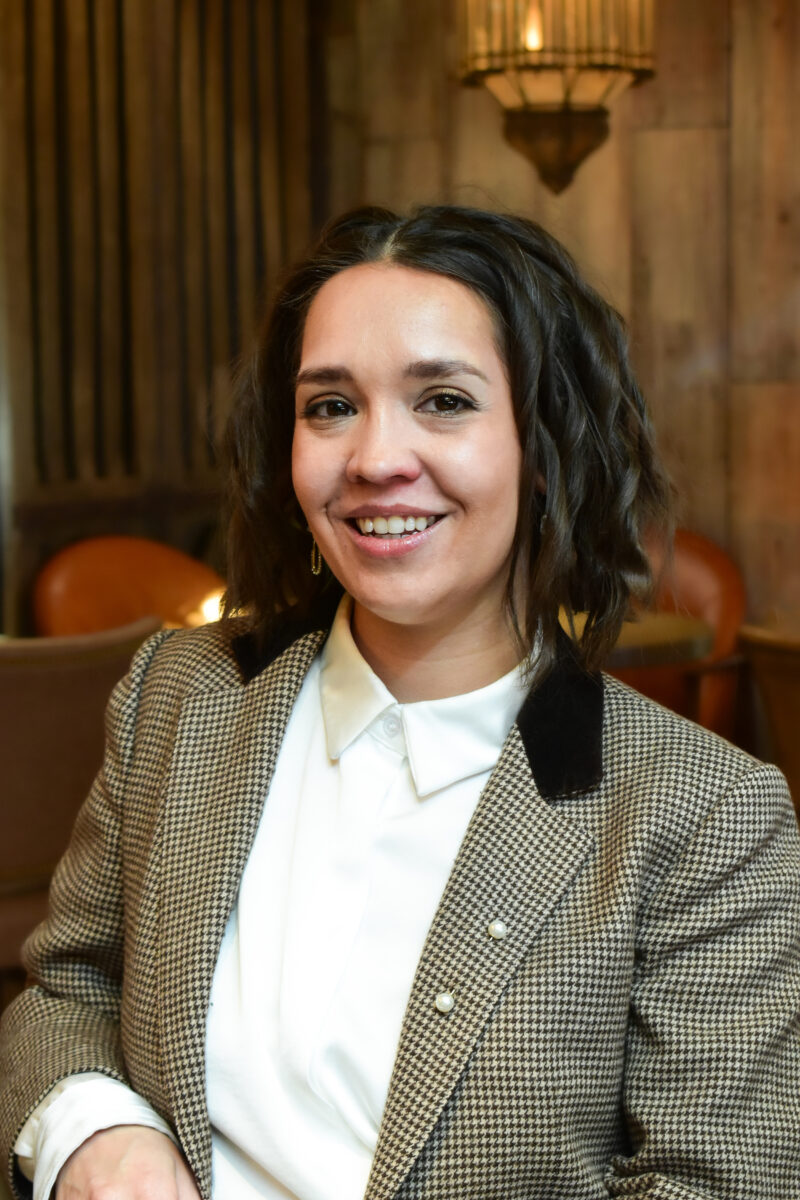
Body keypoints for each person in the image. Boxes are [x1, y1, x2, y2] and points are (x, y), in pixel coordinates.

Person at [1, 205, 798, 1200]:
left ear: (543, 447)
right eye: (329, 405)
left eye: (443, 401)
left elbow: (714, 1181)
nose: (375, 458)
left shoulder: (701, 813)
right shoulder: (181, 697)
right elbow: (67, 990)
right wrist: (95, 1133)